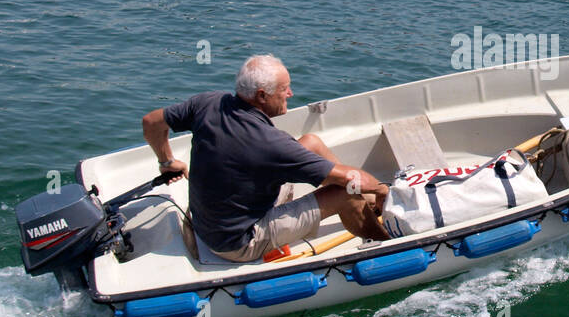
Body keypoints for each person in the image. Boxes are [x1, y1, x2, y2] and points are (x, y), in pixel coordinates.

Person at [141, 55, 390, 264]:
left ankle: (371, 202)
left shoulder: (208, 102)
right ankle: (388, 245)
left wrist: (167, 162)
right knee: (346, 193)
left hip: (209, 220)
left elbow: (151, 122)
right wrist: (381, 189)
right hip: (238, 242)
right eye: (284, 89)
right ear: (262, 96)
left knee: (311, 142)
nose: (290, 93)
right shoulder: (271, 144)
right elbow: (350, 179)